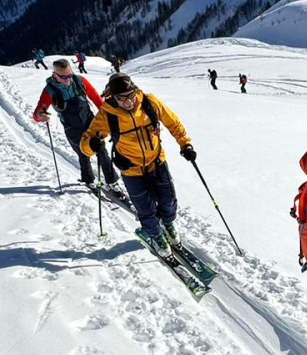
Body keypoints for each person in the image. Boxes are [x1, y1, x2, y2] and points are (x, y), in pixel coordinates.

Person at [79, 73, 195, 258]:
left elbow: (173, 122)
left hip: (157, 162)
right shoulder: (108, 114)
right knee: (145, 207)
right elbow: (85, 144)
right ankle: (155, 234)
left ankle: (168, 224)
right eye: (121, 98)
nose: (128, 102)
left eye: (130, 95)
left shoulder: (149, 103)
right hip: (131, 169)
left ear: (135, 90)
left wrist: (185, 144)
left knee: (168, 200)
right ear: (113, 97)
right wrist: (91, 144)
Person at [32, 59, 124, 197]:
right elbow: (37, 113)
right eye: (63, 77)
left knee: (102, 151)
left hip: (90, 122)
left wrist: (110, 116)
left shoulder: (80, 81)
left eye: (69, 75)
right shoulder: (49, 90)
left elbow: (97, 100)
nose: (68, 79)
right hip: (72, 128)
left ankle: (112, 182)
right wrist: (40, 115)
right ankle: (88, 180)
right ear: (54, 75)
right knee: (82, 153)